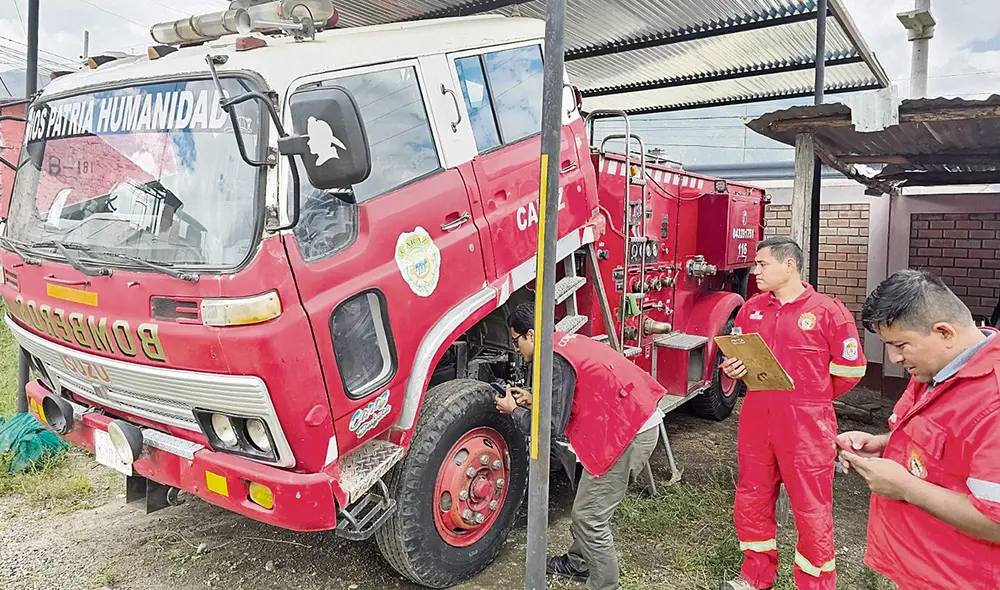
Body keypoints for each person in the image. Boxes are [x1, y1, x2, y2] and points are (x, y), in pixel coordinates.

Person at [718, 236, 867, 590]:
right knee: (752, 496)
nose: (755, 271)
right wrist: (732, 369)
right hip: (756, 415)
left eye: (762, 264)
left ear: (789, 265)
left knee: (811, 509)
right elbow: (734, 354)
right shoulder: (751, 308)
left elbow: (850, 369)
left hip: (807, 424)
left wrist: (811, 397)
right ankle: (755, 577)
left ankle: (815, 584)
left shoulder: (828, 311)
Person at [837, 270, 1000, 589]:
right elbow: (945, 443)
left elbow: (995, 520)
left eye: (899, 345)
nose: (894, 358)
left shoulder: (992, 398)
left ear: (944, 332)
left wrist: (905, 487)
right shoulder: (939, 365)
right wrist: (883, 444)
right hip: (924, 568)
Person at [497, 301, 665, 590]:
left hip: (626, 433)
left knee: (589, 517)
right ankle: (579, 563)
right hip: (626, 421)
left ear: (531, 334)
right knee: (588, 502)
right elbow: (568, 393)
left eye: (516, 341)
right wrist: (532, 396)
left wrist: (515, 411)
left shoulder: (552, 358)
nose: (516, 350)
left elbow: (550, 427)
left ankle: (604, 585)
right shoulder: (563, 343)